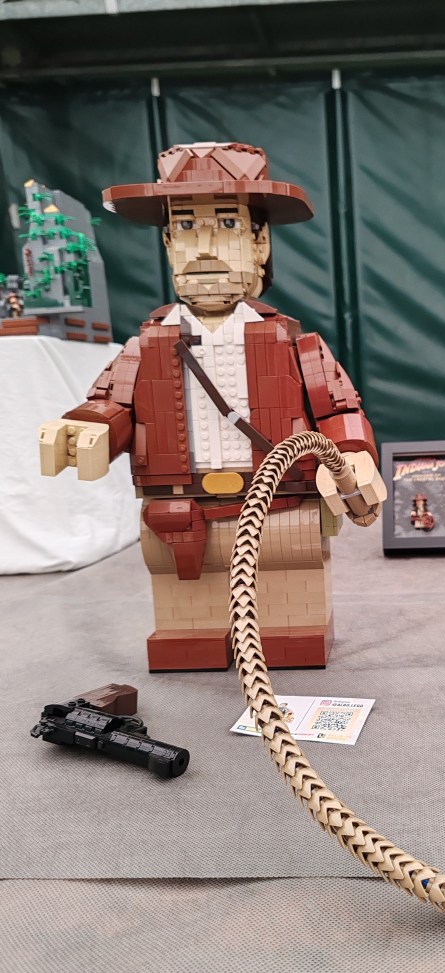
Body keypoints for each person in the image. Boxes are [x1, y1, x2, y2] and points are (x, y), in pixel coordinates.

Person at [39, 142, 384, 671]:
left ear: (260, 242)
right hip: (178, 511)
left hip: (280, 506)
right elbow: (112, 403)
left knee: (290, 597)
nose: (204, 247)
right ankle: (192, 636)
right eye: (185, 227)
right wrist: (89, 428)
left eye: (226, 225)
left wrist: (353, 451)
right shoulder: (144, 347)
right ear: (167, 242)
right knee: (186, 608)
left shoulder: (297, 345)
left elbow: (337, 408)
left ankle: (289, 634)